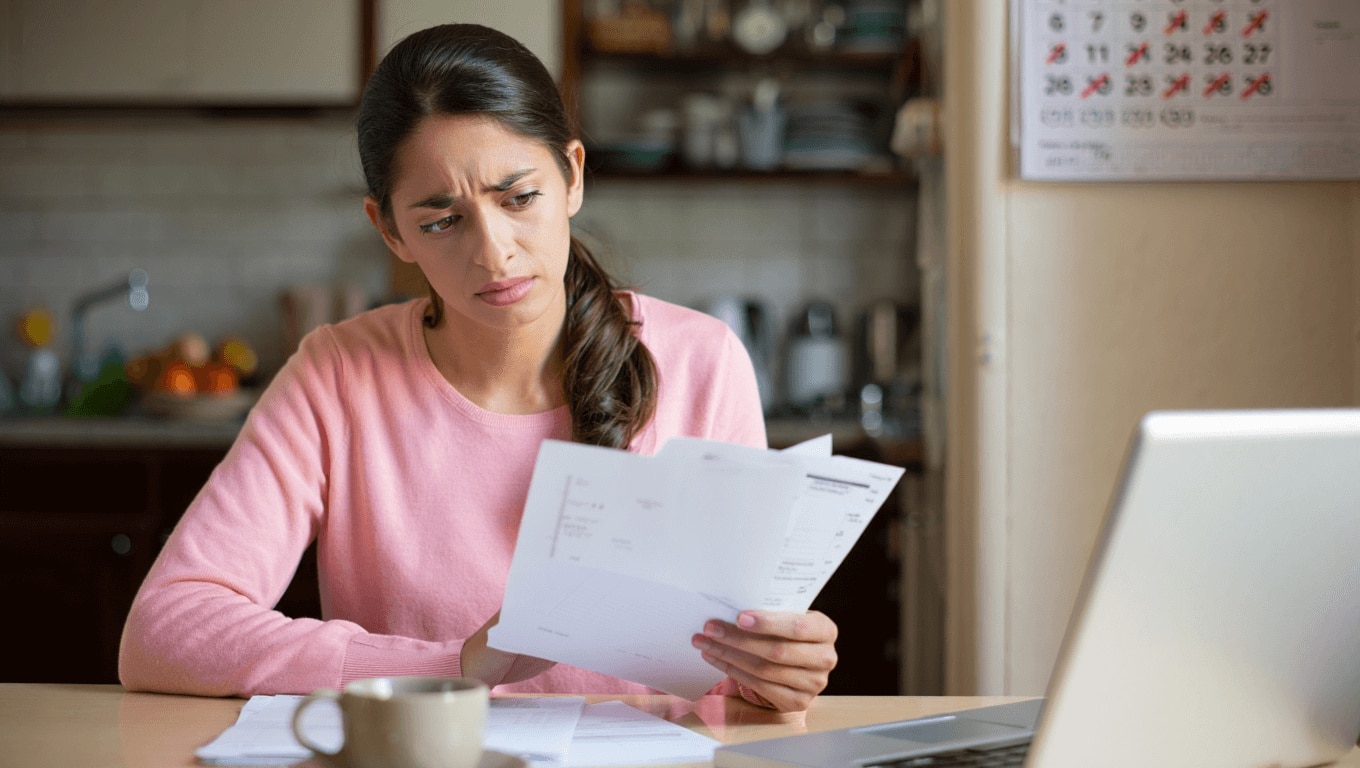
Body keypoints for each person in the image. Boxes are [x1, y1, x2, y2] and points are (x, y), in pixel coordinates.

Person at [118, 23, 837, 713]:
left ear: (573, 177)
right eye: (441, 221)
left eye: (519, 198)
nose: (494, 254)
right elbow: (166, 632)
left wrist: (775, 672)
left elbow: (734, 672)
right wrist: (456, 667)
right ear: (389, 230)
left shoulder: (702, 362)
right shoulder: (339, 373)